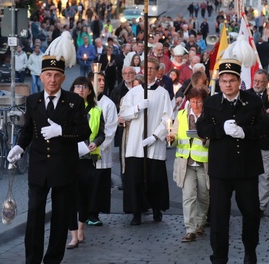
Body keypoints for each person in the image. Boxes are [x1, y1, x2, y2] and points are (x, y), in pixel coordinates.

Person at [6, 55, 91, 264]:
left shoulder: (74, 101)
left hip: (64, 167)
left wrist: (62, 132)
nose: (52, 79)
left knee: (61, 216)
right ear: (41, 77)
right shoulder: (33, 100)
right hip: (39, 167)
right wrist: (20, 147)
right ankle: (31, 262)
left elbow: (85, 132)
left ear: (63, 77)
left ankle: (52, 261)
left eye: (56, 75)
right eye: (48, 75)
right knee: (34, 214)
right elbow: (28, 130)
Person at [196, 57, 267, 264]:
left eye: (232, 81)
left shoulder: (253, 102)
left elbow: (265, 129)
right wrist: (219, 131)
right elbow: (201, 128)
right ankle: (218, 259)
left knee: (251, 213)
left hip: (246, 168)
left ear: (239, 81)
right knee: (218, 216)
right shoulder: (212, 103)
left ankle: (250, 249)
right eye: (224, 81)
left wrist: (245, 132)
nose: (228, 84)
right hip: (221, 169)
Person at [119, 57, 172, 225]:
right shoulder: (134, 93)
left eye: (152, 68)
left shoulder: (163, 93)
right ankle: (136, 212)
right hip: (135, 143)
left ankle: (156, 208)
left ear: (157, 72)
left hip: (154, 144)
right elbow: (123, 113)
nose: (149, 71)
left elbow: (168, 119)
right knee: (135, 178)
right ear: (142, 70)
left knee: (154, 178)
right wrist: (137, 107)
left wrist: (155, 136)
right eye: (146, 68)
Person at [67, 76, 105, 249]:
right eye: (77, 87)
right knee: (69, 197)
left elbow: (102, 133)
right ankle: (73, 235)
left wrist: (95, 143)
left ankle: (81, 229)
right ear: (73, 89)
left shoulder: (96, 110)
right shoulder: (66, 109)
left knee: (83, 196)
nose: (81, 90)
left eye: (84, 87)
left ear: (90, 90)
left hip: (88, 158)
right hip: (69, 158)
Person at [167, 86, 209, 243]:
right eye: (193, 101)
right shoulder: (182, 115)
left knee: (204, 196)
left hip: (204, 161)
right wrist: (171, 137)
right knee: (188, 196)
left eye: (198, 101)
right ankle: (190, 229)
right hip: (186, 161)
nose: (196, 105)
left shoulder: (208, 116)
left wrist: (205, 139)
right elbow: (176, 133)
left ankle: (200, 223)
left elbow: (213, 136)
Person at [88, 71, 118, 226]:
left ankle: (94, 213)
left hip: (100, 152)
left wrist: (98, 145)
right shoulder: (82, 101)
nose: (102, 83)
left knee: (98, 184)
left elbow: (111, 129)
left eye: (103, 80)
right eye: (98, 80)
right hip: (83, 153)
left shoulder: (108, 104)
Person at [247, 69, 269, 215]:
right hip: (250, 141)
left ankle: (261, 206)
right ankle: (250, 202)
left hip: (267, 141)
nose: (257, 84)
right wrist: (264, 113)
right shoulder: (246, 95)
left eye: (260, 81)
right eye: (255, 81)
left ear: (266, 83)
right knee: (249, 175)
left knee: (265, 175)